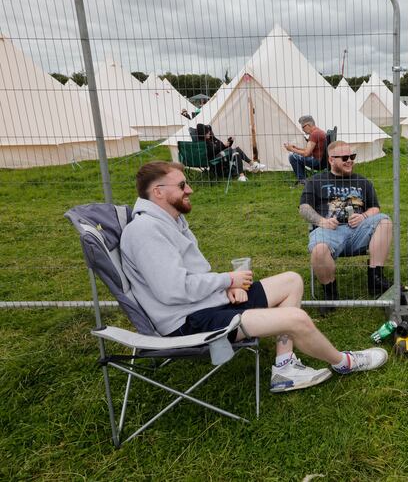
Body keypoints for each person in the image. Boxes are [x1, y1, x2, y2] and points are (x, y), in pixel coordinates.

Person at [120, 161, 388, 393]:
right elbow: (172, 290)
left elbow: (188, 277)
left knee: (292, 280)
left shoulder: (169, 221)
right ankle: (344, 362)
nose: (189, 189)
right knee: (296, 318)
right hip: (187, 322)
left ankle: (285, 369)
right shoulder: (145, 231)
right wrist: (227, 281)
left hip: (204, 304)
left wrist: (223, 290)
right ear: (158, 192)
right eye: (181, 185)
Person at [299, 140, 393, 302]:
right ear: (331, 160)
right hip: (328, 231)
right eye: (344, 158)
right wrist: (322, 221)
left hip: (359, 230)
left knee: (384, 221)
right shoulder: (315, 181)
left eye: (352, 156)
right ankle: (331, 292)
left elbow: (375, 208)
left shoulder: (363, 182)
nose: (349, 160)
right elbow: (304, 208)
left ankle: (375, 279)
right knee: (319, 251)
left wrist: (363, 216)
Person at [195, 123, 265, 182]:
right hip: (215, 160)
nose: (209, 133)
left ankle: (242, 175)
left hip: (221, 155)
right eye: (207, 132)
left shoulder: (211, 139)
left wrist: (229, 142)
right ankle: (252, 165)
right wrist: (223, 145)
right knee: (235, 151)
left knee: (236, 152)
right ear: (203, 133)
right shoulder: (204, 142)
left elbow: (220, 147)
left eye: (209, 131)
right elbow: (212, 151)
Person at [284, 115, 327, 186]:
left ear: (308, 125)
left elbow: (306, 153)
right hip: (320, 160)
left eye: (303, 127)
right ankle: (304, 179)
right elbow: (309, 150)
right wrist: (296, 148)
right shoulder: (319, 132)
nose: (302, 129)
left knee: (292, 157)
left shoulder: (314, 134)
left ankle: (302, 181)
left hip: (316, 162)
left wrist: (291, 149)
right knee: (295, 155)